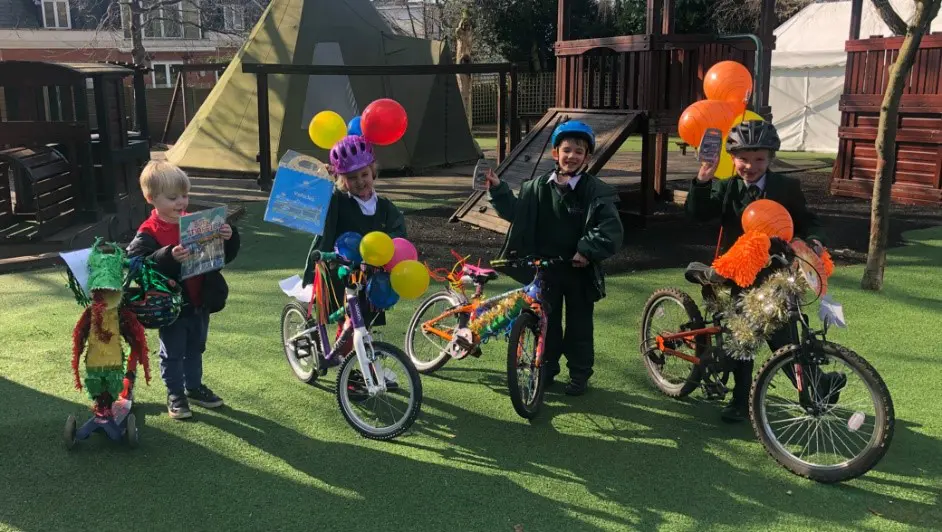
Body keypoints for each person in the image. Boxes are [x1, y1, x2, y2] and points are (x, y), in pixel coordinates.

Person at [685, 120, 840, 422]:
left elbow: (807, 220)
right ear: (733, 159)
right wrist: (703, 179)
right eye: (743, 159)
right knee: (742, 337)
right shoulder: (728, 188)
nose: (750, 166)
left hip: (777, 273)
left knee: (783, 335)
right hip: (740, 274)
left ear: (771, 158)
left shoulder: (786, 187)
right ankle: (740, 400)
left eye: (759, 159)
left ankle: (815, 384)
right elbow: (697, 214)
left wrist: (815, 240)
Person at [486, 120, 624, 396]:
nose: (572, 156)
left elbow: (610, 228)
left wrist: (586, 249)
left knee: (579, 326)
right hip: (545, 269)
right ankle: (546, 368)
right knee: (544, 323)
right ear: (555, 153)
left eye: (579, 152)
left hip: (578, 270)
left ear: (587, 157)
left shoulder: (596, 190)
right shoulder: (537, 187)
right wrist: (498, 189)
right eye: (567, 150)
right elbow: (517, 213)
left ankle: (579, 373)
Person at [127, 161, 240, 420]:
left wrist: (229, 236)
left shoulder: (197, 223)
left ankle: (194, 387)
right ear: (151, 198)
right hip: (171, 305)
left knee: (196, 347)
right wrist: (167, 256)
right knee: (173, 352)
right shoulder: (148, 231)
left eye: (185, 195)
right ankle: (175, 393)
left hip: (200, 300)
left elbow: (223, 257)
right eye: (172, 198)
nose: (181, 202)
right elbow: (136, 264)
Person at [301, 135, 406, 342]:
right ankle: (344, 355)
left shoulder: (384, 207)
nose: (360, 181)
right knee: (349, 322)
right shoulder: (338, 201)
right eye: (352, 178)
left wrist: (388, 249)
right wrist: (324, 181)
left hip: (371, 274)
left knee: (365, 322)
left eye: (364, 174)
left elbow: (398, 232)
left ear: (373, 172)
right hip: (342, 272)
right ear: (343, 181)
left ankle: (354, 354)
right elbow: (321, 203)